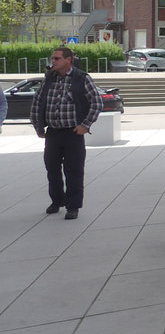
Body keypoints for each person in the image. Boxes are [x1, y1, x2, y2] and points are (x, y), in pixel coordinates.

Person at [32, 47, 102, 220]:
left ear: (68, 60)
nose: (52, 61)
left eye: (56, 58)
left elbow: (97, 103)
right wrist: (39, 127)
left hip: (73, 134)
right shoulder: (49, 78)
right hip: (53, 133)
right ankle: (57, 201)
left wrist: (85, 125)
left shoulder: (81, 78)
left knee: (74, 171)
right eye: (52, 58)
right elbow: (37, 102)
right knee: (52, 169)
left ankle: (73, 206)